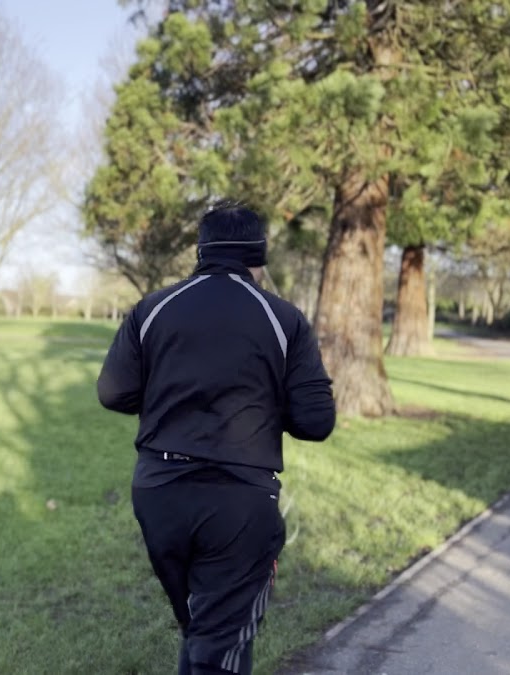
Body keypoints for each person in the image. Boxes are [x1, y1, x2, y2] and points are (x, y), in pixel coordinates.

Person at [96, 201, 336, 675]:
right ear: (259, 255)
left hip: (159, 493)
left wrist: (167, 395)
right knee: (217, 644)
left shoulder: (152, 307)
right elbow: (316, 420)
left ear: (200, 251)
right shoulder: (283, 318)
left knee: (204, 631)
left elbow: (112, 392)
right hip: (239, 501)